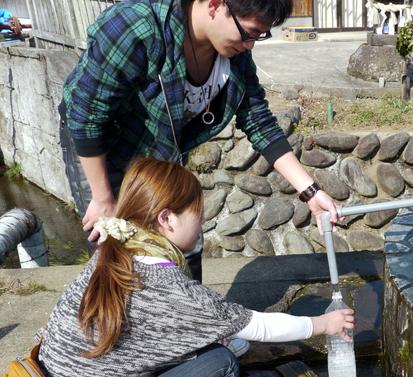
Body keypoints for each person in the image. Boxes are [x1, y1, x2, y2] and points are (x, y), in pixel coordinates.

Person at [38, 157, 354, 377]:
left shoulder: (109, 257)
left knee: (207, 348)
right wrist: (323, 324)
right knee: (221, 363)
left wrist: (143, 368)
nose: (203, 222)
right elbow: (256, 327)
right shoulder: (165, 285)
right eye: (196, 213)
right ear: (166, 219)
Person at [59, 0, 340, 283]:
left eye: (259, 36)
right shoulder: (137, 27)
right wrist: (102, 198)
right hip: (102, 150)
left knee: (186, 244)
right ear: (216, 5)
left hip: (163, 154)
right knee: (121, 254)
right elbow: (88, 116)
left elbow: (258, 120)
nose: (251, 45)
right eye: (250, 33)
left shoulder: (233, 54)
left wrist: (311, 192)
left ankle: (191, 317)